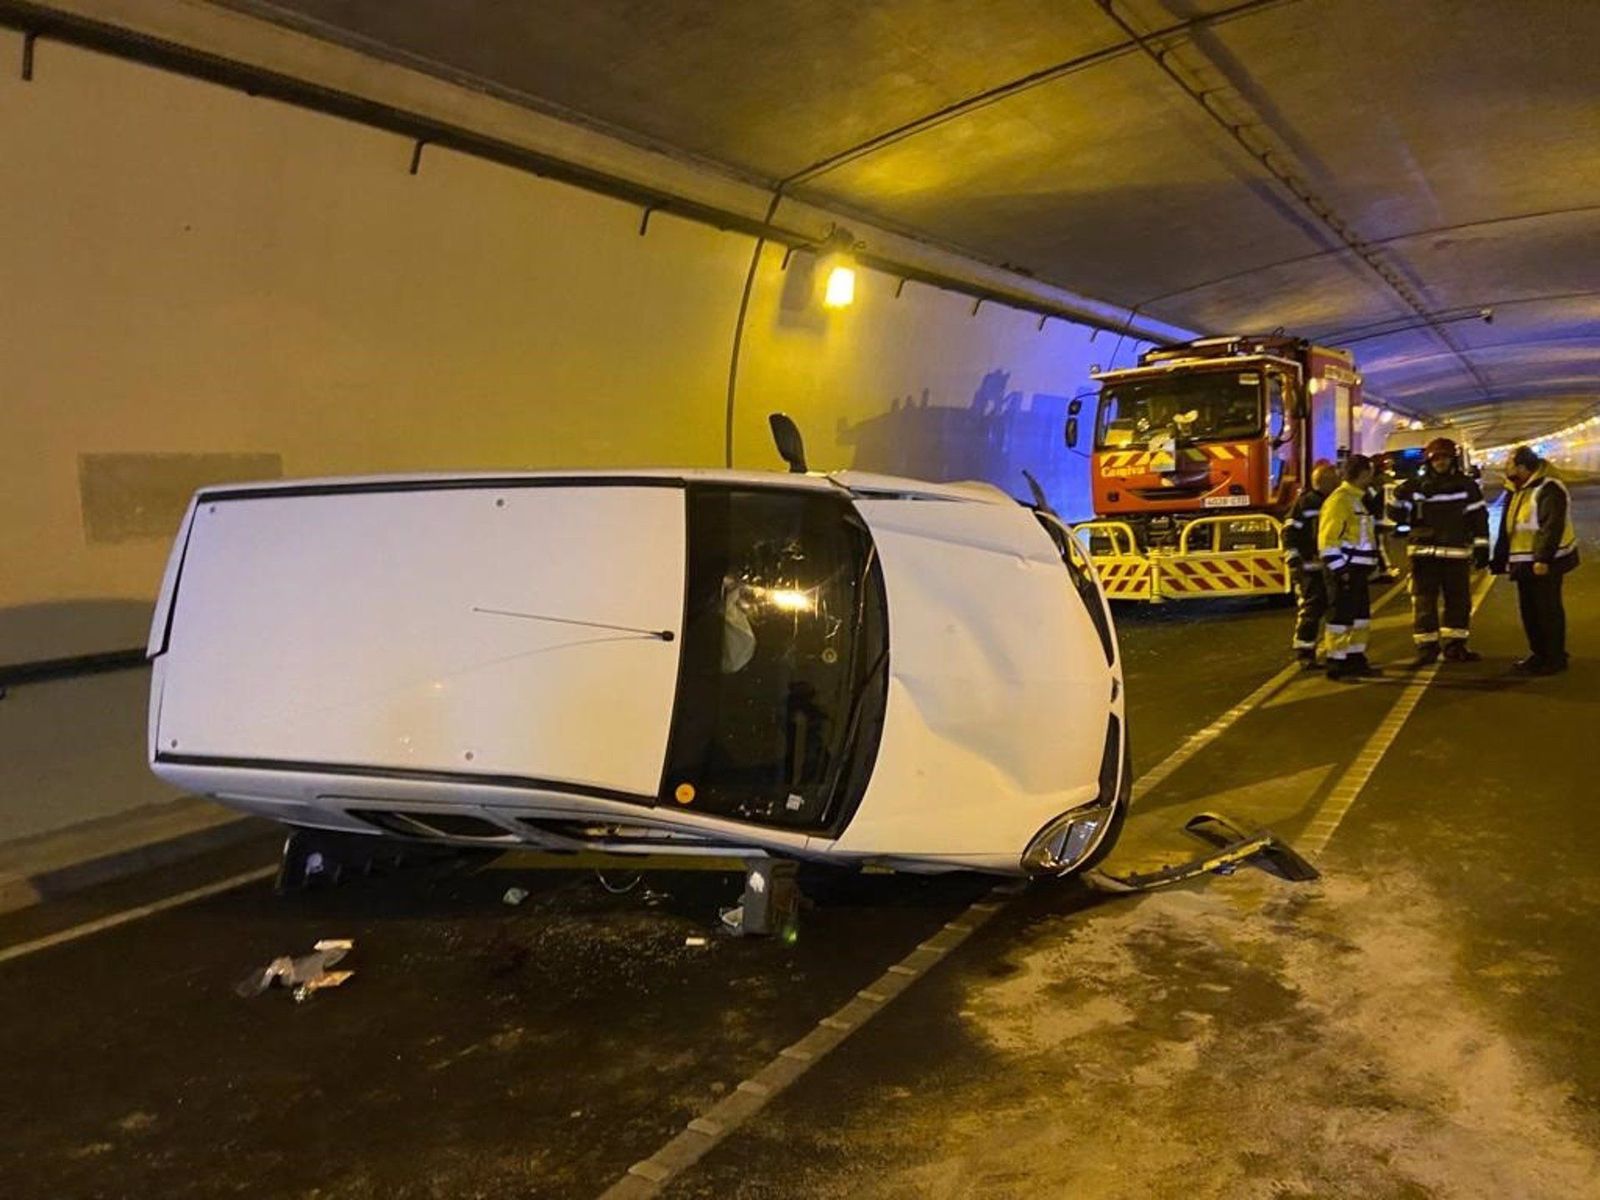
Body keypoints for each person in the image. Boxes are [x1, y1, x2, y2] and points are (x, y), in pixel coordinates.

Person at [1388, 437, 1490, 666]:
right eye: (1436, 458)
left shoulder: (1466, 486)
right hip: (1423, 556)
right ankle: (1427, 648)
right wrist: (1398, 495)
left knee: (1458, 601)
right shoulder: (1415, 487)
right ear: (1429, 461)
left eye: (1445, 458)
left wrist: (1482, 547)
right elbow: (1396, 515)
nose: (1440, 462)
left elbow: (1478, 518)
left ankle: (1455, 646)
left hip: (1455, 554)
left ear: (1452, 459)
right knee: (1424, 602)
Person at [1490, 446, 1579, 674]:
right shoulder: (1516, 489)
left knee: (1547, 611)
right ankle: (1539, 654)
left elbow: (1552, 526)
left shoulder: (1549, 488)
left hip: (1544, 562)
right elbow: (1508, 527)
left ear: (1522, 467)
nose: (1505, 467)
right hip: (1523, 561)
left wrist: (1543, 558)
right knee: (1530, 612)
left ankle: (1554, 658)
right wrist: (1500, 558)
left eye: (1509, 463)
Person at [1319, 454, 1382, 680]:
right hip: (1345, 570)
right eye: (1370, 472)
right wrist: (1340, 570)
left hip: (1357, 569)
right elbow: (1328, 540)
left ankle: (1355, 658)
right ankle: (1336, 663)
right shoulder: (1340, 500)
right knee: (1340, 619)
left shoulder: (1358, 499)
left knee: (1360, 618)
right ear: (1363, 473)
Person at [1284, 463, 1340, 668]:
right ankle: (1305, 652)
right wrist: (1294, 560)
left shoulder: (1332, 501)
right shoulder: (1306, 504)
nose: (1338, 482)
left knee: (1330, 608)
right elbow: (1289, 533)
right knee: (1312, 609)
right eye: (1334, 479)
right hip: (1311, 569)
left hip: (1329, 566)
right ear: (1324, 482)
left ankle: (1332, 652)